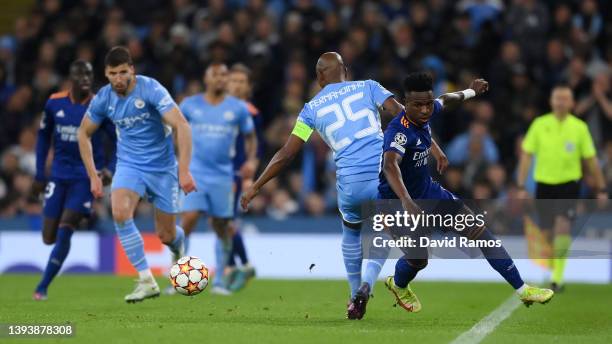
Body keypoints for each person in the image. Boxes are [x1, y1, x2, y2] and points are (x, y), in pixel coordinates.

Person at [241, 52, 449, 319]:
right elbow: (406, 117)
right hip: (379, 176)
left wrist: (257, 185)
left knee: (351, 231)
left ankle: (353, 296)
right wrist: (434, 149)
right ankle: (367, 284)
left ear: (319, 78)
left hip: (349, 185)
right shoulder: (369, 87)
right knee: (384, 229)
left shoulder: (310, 110)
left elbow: (287, 153)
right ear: (346, 71)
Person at [380, 72, 554, 312]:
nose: (424, 110)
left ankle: (523, 289)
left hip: (428, 192)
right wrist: (406, 201)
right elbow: (390, 165)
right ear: (405, 104)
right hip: (396, 203)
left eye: (428, 104)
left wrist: (471, 91)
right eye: (417, 105)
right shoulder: (398, 131)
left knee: (478, 230)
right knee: (419, 259)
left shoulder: (428, 111)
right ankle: (398, 284)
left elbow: (448, 99)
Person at [77, 46, 196, 303]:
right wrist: (93, 176)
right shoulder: (103, 99)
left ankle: (178, 245)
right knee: (119, 212)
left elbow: (182, 125)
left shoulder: (151, 89)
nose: (118, 78)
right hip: (129, 165)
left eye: (123, 72)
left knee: (166, 235)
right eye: (112, 73)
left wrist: (184, 171)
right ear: (106, 74)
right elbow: (83, 133)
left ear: (132, 70)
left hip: (163, 169)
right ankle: (146, 281)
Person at [32, 60, 116, 301]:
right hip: (58, 175)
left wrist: (108, 170)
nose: (85, 78)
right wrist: (40, 174)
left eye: (89, 74)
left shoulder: (100, 106)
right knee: (49, 236)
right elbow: (42, 138)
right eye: (80, 74)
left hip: (86, 177)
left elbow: (119, 141)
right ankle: (46, 278)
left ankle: (42, 287)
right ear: (71, 77)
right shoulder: (54, 102)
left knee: (66, 228)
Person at [517, 85, 608, 292]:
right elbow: (526, 155)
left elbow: (591, 160)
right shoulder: (540, 124)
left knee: (562, 226)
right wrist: (522, 185)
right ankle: (552, 267)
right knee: (547, 232)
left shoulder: (579, 128)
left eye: (565, 99)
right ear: (551, 101)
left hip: (568, 185)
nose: (560, 102)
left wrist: (601, 188)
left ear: (572, 103)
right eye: (557, 98)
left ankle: (557, 278)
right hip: (544, 185)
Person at [178, 62, 258, 295]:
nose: (221, 79)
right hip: (196, 172)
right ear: (206, 78)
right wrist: (180, 161)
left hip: (223, 176)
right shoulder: (190, 105)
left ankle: (220, 280)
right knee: (189, 219)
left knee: (222, 226)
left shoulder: (238, 108)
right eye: (216, 75)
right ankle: (179, 273)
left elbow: (251, 137)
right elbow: (177, 132)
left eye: (224, 75)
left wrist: (251, 160)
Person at [223, 63, 264, 292]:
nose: (236, 85)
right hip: (217, 172)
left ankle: (237, 266)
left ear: (248, 87)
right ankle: (233, 266)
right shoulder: (219, 108)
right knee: (219, 221)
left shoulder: (251, 112)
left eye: (241, 81)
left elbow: (257, 147)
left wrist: (251, 171)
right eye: (233, 80)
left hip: (236, 174)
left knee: (225, 221)